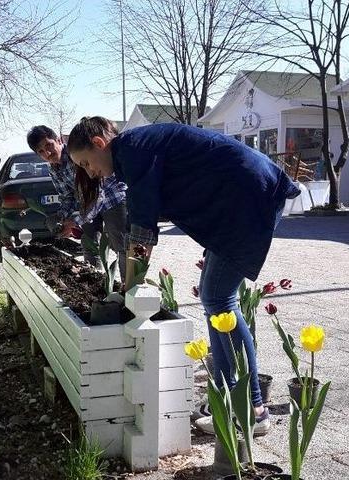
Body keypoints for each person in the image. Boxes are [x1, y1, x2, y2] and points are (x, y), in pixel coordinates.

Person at [66, 116, 300, 436]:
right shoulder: (133, 150)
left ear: (98, 144)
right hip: (244, 195)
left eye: (85, 163)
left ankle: (252, 410)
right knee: (215, 297)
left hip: (249, 197)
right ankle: (228, 399)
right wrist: (129, 284)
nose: (89, 172)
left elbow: (142, 228)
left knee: (219, 298)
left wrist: (130, 288)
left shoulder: (133, 150)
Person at [26, 125, 128, 280]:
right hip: (86, 205)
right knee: (89, 245)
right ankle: (97, 284)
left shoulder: (77, 155)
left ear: (59, 140)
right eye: (41, 151)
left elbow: (97, 194)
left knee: (121, 246)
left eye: (49, 145)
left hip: (112, 199)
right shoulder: (53, 169)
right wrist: (61, 218)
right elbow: (68, 197)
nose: (47, 153)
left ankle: (129, 291)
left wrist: (74, 221)